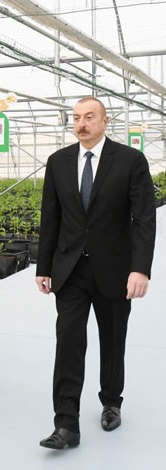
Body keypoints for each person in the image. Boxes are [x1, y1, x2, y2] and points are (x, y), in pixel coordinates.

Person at [36, 97, 156, 450]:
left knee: (112, 339)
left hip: (115, 268)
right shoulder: (58, 161)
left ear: (105, 121)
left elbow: (144, 219)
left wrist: (140, 269)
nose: (81, 123)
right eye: (76, 118)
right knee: (68, 343)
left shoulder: (130, 160)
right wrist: (43, 267)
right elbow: (51, 217)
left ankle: (111, 401)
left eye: (89, 117)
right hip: (70, 269)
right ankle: (66, 424)